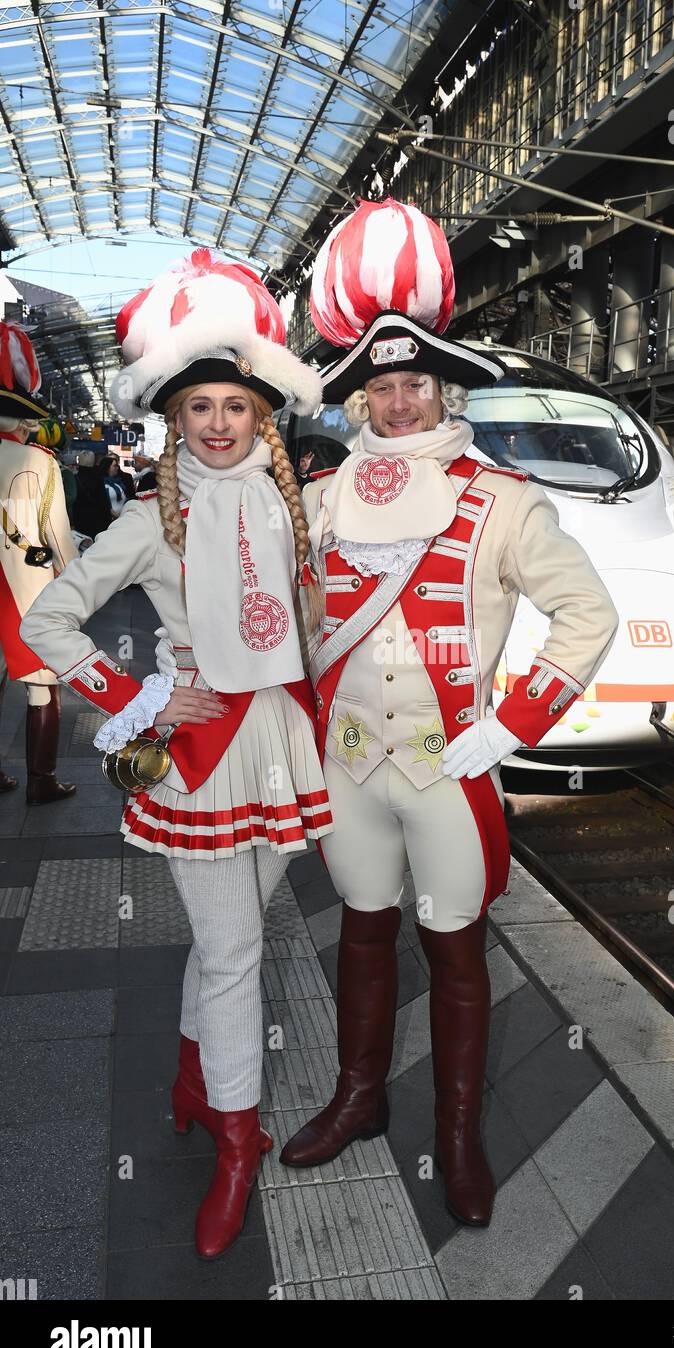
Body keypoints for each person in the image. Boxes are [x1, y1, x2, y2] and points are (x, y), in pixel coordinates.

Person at [275, 199, 620, 1226]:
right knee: (361, 932)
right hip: (348, 766)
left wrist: (506, 727)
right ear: (362, 397)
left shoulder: (503, 498)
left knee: (456, 946)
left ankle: (458, 1134)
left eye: (412, 384)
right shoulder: (325, 498)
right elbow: (288, 619)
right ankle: (359, 1096)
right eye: (379, 388)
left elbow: (586, 615)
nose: (395, 404)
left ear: (440, 388)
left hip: (448, 763)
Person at [21, 248, 331, 1259]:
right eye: (196, 406)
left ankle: (196, 1087)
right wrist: (143, 692)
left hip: (284, 741)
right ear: (173, 417)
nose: (215, 422)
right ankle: (237, 1141)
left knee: (230, 939)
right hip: (197, 745)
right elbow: (51, 622)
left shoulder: (300, 506)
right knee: (238, 947)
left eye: (232, 406)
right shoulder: (152, 518)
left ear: (261, 414)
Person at [0, 321, 78, 802]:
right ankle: (41, 782)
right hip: (25, 586)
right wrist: (77, 585)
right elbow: (59, 539)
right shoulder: (40, 463)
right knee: (41, 683)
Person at [72, 449, 112, 539]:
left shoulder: (75, 478)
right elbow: (103, 500)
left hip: (80, 519)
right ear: (93, 461)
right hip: (98, 520)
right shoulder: (98, 478)